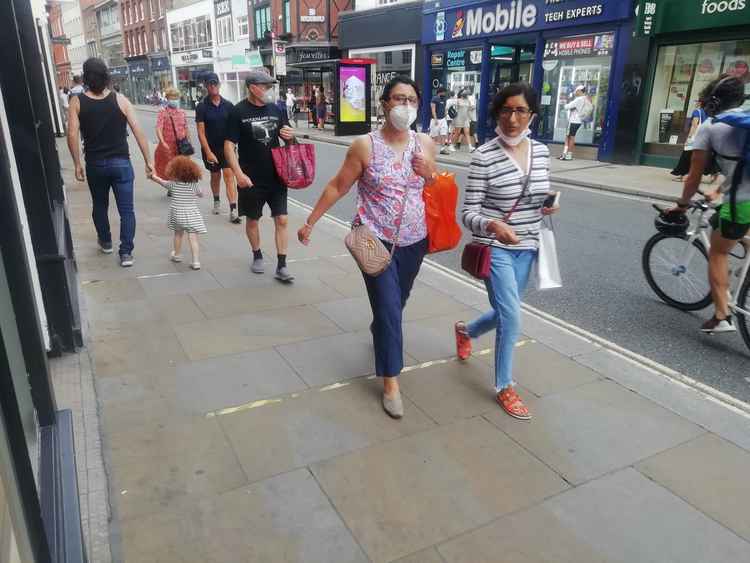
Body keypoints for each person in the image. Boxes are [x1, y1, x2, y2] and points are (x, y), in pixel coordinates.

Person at [298, 76, 437, 419]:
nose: (405, 106)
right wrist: (310, 221)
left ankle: (382, 331)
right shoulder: (365, 146)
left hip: (415, 240)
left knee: (396, 303)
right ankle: (390, 381)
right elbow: (338, 186)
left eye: (411, 100)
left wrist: (430, 172)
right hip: (373, 239)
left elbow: (434, 184)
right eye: (398, 99)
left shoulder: (425, 143)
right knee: (390, 310)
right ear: (385, 103)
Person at [455, 82, 559, 420]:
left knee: (506, 310)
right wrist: (494, 226)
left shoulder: (541, 152)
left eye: (520, 110)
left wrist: (547, 206)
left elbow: (539, 193)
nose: (513, 118)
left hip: (529, 245)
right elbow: (468, 213)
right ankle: (504, 386)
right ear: (497, 113)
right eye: (506, 110)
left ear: (532, 114)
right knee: (512, 317)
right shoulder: (483, 155)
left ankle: (466, 331)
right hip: (495, 247)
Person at [667, 75, 750, 334]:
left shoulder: (711, 127)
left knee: (718, 252)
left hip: (742, 203)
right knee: (723, 226)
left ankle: (722, 314)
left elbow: (693, 178)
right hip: (737, 197)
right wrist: (718, 190)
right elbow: (741, 167)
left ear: (713, 101)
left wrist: (682, 205)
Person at [66, 57, 153, 267]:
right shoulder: (121, 100)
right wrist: (148, 160)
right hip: (122, 163)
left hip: (95, 164)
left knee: (99, 205)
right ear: (106, 76)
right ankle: (126, 253)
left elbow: (71, 134)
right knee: (127, 210)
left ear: (86, 78)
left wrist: (77, 163)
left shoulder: (77, 102)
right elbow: (138, 131)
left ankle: (105, 242)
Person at [225, 69, 297, 283]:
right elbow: (229, 146)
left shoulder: (275, 109)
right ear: (252, 87)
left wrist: (291, 137)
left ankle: (282, 265)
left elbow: (289, 140)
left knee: (282, 219)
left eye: (269, 86)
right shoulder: (238, 112)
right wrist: (238, 174)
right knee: (253, 220)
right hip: (250, 178)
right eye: (264, 86)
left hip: (277, 176)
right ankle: (257, 255)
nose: (267, 90)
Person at [148, 156, 207, 270]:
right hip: (191, 213)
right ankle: (196, 261)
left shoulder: (172, 184)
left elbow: (161, 181)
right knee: (193, 237)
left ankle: (177, 255)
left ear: (174, 171)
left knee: (178, 235)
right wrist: (198, 192)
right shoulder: (193, 185)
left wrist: (152, 176)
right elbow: (201, 194)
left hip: (177, 213)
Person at [195, 73, 239, 222]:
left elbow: (235, 128)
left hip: (226, 148)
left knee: (229, 176)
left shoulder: (229, 105)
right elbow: (201, 133)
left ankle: (233, 209)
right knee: (215, 176)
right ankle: (216, 200)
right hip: (211, 148)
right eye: (210, 84)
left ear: (219, 85)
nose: (213, 86)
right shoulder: (202, 107)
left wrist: (234, 145)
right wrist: (208, 152)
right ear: (206, 86)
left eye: (215, 83)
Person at [670, 98, 720, 182]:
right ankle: (714, 171)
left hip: (695, 138)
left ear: (700, 103)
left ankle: (683, 175)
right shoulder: (707, 113)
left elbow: (694, 125)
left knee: (686, 155)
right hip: (704, 138)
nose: (695, 102)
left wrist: (689, 138)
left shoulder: (697, 111)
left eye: (696, 101)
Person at [154, 87, 192, 179]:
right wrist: (162, 142)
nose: (174, 100)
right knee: (171, 168)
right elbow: (158, 128)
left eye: (176, 98)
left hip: (182, 145)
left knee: (182, 167)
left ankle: (178, 187)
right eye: (172, 98)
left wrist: (189, 142)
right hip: (169, 146)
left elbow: (186, 128)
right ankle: (173, 188)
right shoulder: (163, 112)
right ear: (167, 98)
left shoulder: (182, 112)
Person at [558, 85, 591, 161]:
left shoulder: (578, 99)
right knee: (571, 137)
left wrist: (566, 103)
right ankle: (568, 155)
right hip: (579, 121)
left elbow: (566, 107)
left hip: (573, 120)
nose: (575, 92)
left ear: (580, 91)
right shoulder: (585, 98)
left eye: (576, 91)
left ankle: (565, 154)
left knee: (568, 137)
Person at [430, 87, 450, 154]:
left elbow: (444, 108)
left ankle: (442, 149)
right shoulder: (434, 98)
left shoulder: (444, 99)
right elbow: (433, 110)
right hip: (435, 119)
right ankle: (431, 148)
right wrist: (435, 119)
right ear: (440, 92)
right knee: (434, 136)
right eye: (444, 92)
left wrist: (445, 116)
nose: (445, 94)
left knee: (443, 133)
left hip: (443, 119)